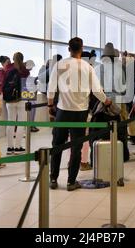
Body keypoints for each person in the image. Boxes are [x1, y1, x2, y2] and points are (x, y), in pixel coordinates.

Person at [47, 37, 111, 191]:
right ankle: (71, 182)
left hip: (62, 110)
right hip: (80, 112)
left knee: (57, 145)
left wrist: (50, 105)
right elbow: (97, 90)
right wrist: (106, 101)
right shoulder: (87, 67)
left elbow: (51, 87)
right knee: (76, 147)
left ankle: (53, 179)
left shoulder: (59, 65)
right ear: (81, 49)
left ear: (69, 49)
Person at [3, 52, 30, 154]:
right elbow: (27, 86)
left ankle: (10, 148)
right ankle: (18, 147)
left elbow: (4, 85)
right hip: (21, 99)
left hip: (10, 100)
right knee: (21, 123)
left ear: (13, 59)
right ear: (22, 59)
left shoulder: (9, 70)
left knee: (10, 122)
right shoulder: (25, 71)